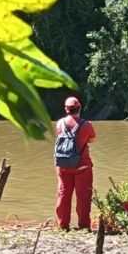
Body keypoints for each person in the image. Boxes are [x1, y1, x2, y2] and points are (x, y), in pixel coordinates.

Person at [54, 96, 96, 231]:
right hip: (82, 165)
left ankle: (63, 225)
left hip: (63, 164)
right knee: (83, 196)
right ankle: (83, 226)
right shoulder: (86, 124)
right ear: (79, 108)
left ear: (66, 109)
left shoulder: (60, 123)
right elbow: (92, 139)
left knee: (63, 194)